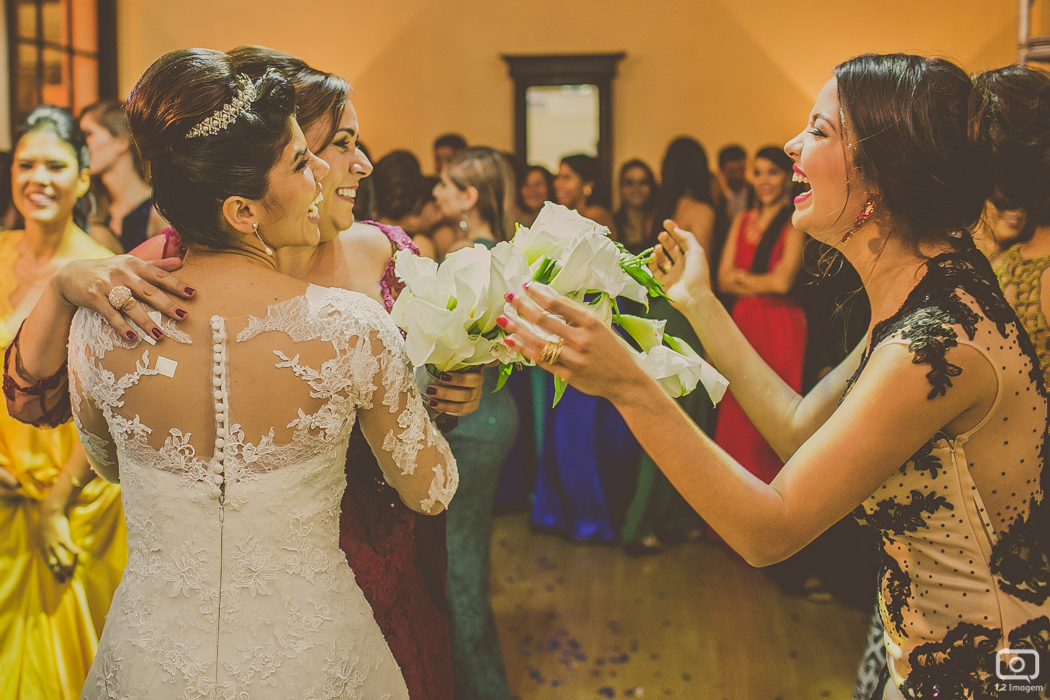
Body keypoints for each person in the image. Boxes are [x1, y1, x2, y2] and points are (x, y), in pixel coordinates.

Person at [501, 55, 1050, 696]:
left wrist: (627, 385)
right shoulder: (930, 303)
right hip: (928, 649)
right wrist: (700, 299)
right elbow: (797, 432)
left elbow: (771, 530)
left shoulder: (937, 342)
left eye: (818, 131)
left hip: (988, 671)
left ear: (879, 173)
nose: (792, 145)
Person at [4, 46, 483, 700]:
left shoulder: (105, 323)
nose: (318, 175)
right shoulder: (351, 326)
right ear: (242, 210)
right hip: (311, 658)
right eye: (298, 162)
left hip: (156, 658)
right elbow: (430, 491)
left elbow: (114, 465)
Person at [0, 105, 126, 700]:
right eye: (26, 164)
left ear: (82, 178)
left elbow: (113, 393)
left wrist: (56, 501)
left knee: (68, 666)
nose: (37, 178)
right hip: (2, 493)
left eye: (54, 165)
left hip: (77, 496)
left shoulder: (100, 271)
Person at [431, 146, 520, 700]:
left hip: (470, 419)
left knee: (459, 571)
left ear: (468, 197)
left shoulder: (471, 257)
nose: (435, 193)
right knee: (463, 563)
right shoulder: (494, 252)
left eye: (444, 184)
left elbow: (459, 352)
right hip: (487, 417)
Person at [714, 146, 807, 485]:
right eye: (759, 172)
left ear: (787, 178)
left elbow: (783, 282)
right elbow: (722, 278)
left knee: (774, 412)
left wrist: (743, 279)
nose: (764, 180)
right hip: (742, 323)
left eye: (773, 172)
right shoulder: (741, 219)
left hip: (780, 324)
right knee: (737, 411)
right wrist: (754, 282)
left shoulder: (795, 220)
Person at [80, 100, 168, 252]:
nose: (81, 146)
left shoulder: (159, 211)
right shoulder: (94, 211)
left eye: (88, 134)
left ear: (121, 142)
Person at [553, 154, 615, 231]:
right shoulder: (568, 215)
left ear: (587, 184)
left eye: (567, 177)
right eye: (557, 177)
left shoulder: (595, 216)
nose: (557, 184)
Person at [612, 159, 658, 255]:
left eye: (643, 182)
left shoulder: (659, 224)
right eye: (630, 183)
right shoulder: (611, 225)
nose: (636, 188)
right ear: (621, 187)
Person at [718, 144, 755, 220]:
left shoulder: (757, 195)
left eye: (741, 170)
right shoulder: (717, 198)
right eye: (732, 171)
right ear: (722, 171)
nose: (737, 175)